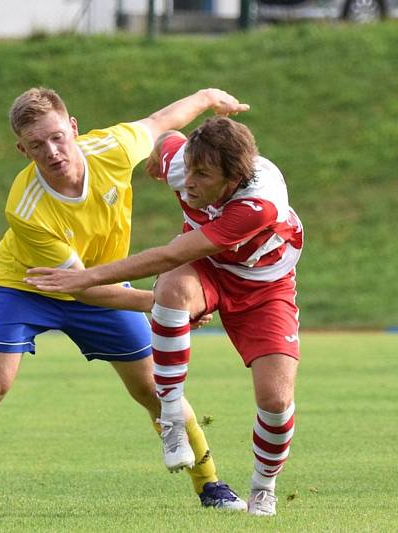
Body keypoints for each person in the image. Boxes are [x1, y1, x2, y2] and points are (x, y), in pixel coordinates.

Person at [0, 88, 253, 512]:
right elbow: (77, 285)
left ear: (74, 128)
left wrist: (207, 96)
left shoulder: (111, 149)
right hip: (27, 286)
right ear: (22, 150)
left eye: (57, 137)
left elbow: (160, 121)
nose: (52, 151)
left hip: (99, 281)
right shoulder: (25, 208)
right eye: (37, 145)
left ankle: (209, 485)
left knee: (154, 389)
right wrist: (157, 303)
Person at [26, 116, 304, 517]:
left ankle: (264, 486)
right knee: (169, 291)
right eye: (187, 168)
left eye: (202, 175)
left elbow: (173, 253)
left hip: (264, 286)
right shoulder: (184, 163)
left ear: (233, 179)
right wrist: (160, 152)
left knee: (276, 401)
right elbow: (169, 137)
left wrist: (88, 276)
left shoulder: (258, 203)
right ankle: (172, 419)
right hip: (208, 268)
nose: (187, 182)